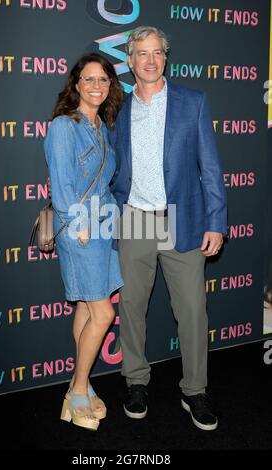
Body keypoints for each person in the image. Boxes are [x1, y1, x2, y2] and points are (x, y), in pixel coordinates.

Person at [109, 26, 227, 431]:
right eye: (141, 53)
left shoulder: (192, 102)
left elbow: (210, 168)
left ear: (165, 57)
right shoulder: (117, 108)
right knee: (131, 309)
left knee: (193, 312)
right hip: (135, 220)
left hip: (183, 221)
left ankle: (195, 390)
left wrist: (216, 221)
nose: (150, 60)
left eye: (157, 52)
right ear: (130, 60)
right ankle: (136, 381)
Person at [44, 53, 124, 431]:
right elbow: (61, 185)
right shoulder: (64, 126)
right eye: (89, 79)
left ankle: (83, 381)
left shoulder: (101, 127)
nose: (96, 86)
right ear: (76, 84)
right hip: (80, 231)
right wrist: (79, 228)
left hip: (103, 227)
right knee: (104, 314)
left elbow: (104, 186)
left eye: (103, 80)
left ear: (110, 86)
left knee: (87, 310)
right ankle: (76, 391)